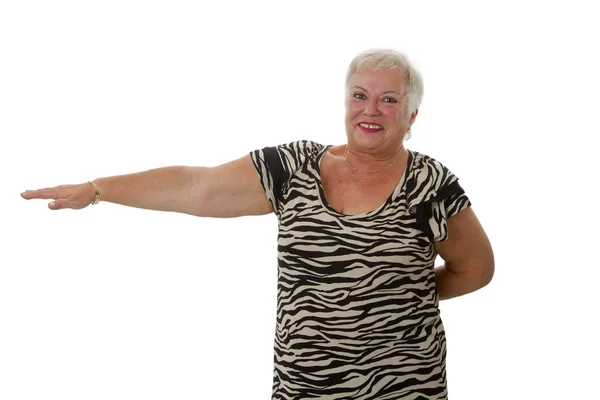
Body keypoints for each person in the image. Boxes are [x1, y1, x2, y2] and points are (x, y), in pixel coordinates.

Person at [21, 49, 494, 399]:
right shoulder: (292, 167)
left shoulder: (432, 183)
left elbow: (476, 268)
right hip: (304, 387)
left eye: (388, 99)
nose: (370, 109)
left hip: (405, 387)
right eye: (359, 95)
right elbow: (196, 187)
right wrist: (98, 188)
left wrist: (399, 292)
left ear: (411, 115)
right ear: (345, 103)